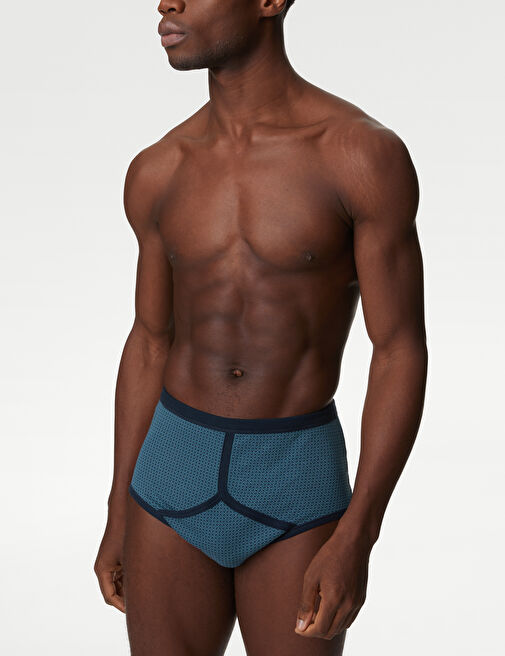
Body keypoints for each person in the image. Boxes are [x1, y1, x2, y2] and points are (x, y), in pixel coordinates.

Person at [94, 0, 428, 653]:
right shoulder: (159, 168)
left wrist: (359, 531)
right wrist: (117, 509)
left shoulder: (358, 155)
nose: (166, 3)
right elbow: (149, 342)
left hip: (293, 473)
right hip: (170, 470)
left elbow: (398, 350)